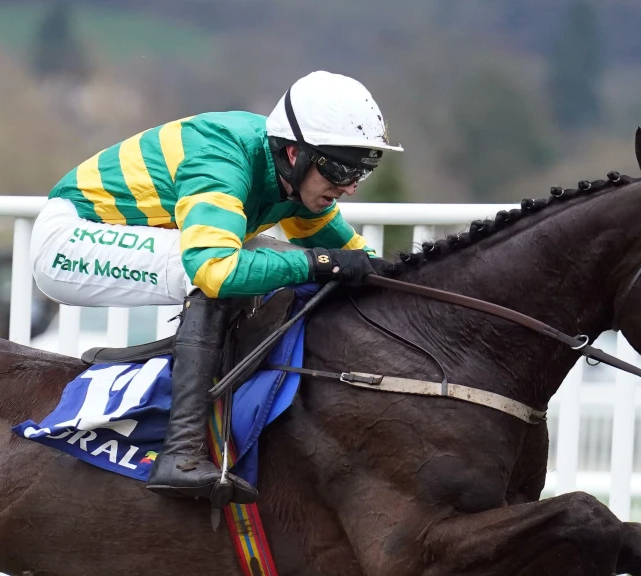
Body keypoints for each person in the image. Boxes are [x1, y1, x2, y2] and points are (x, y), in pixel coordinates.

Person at [31, 70, 402, 505]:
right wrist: (319, 262)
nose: (351, 187)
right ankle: (181, 453)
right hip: (70, 239)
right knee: (232, 266)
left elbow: (359, 262)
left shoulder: (294, 181)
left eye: (363, 170)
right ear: (294, 153)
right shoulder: (224, 157)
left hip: (128, 238)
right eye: (341, 168)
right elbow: (215, 270)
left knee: (274, 260)